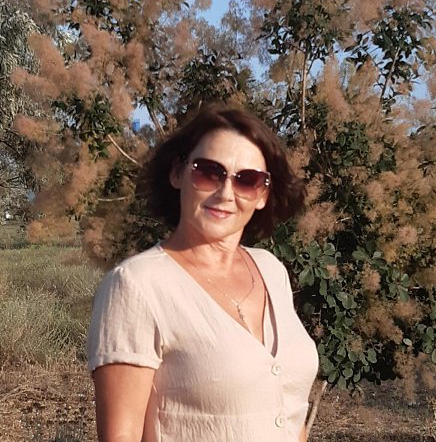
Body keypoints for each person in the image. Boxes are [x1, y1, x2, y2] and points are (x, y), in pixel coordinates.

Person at [87, 104, 319, 442]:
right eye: (209, 172)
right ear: (177, 173)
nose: (226, 193)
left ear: (263, 195)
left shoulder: (271, 270)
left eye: (248, 180)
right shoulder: (135, 285)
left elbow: (289, 413)